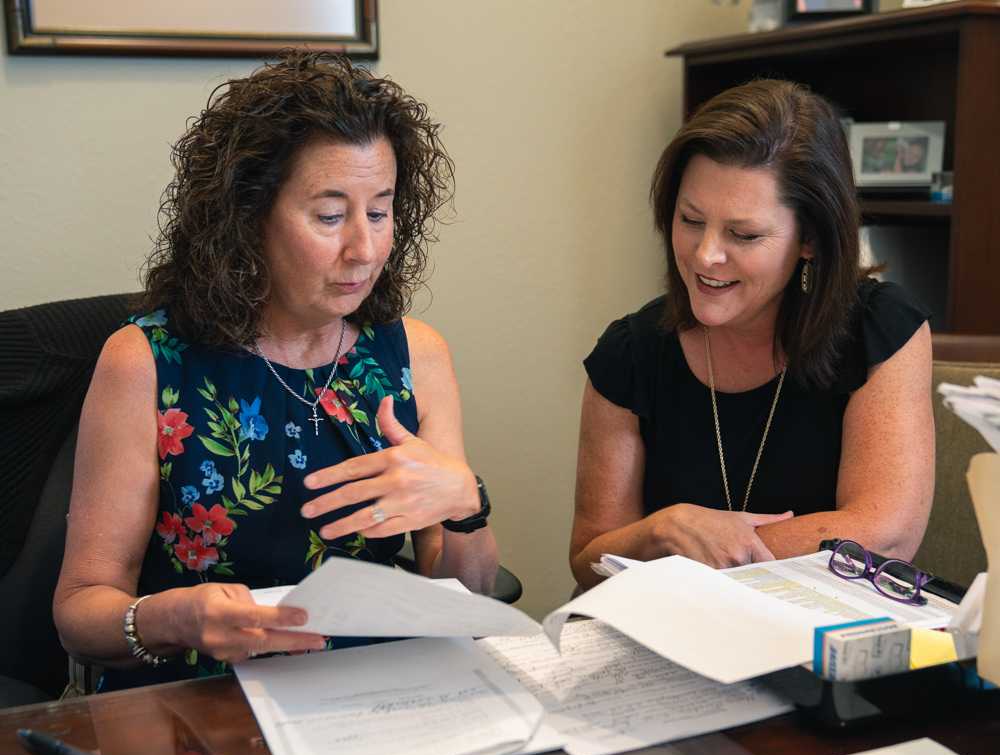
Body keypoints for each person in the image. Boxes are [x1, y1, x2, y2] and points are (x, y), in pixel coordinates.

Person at [53, 50, 498, 689]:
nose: (364, 248)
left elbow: (471, 600)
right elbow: (80, 613)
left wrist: (466, 505)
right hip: (199, 697)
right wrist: (170, 618)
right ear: (250, 215)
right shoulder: (146, 363)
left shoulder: (414, 355)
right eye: (329, 215)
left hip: (371, 692)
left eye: (379, 211)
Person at [570, 79, 934, 590]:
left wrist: (694, 553)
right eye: (690, 220)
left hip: (822, 636)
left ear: (810, 239)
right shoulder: (629, 353)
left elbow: (885, 534)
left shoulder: (880, 329)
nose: (705, 256)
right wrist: (663, 528)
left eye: (744, 235)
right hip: (669, 636)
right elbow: (589, 563)